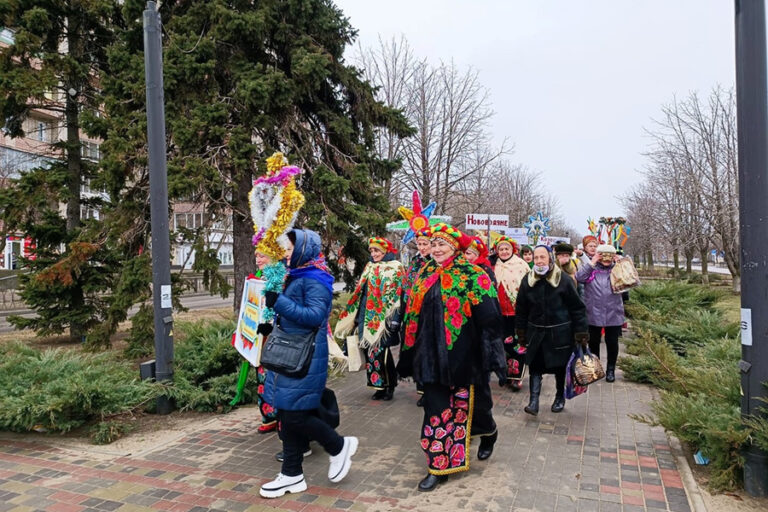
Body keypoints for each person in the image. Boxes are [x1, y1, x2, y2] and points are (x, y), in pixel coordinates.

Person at [398, 223, 506, 492]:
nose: (435, 249)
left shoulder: (473, 275)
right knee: (436, 410)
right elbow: (412, 312)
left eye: (441, 244)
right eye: (433, 244)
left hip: (464, 359)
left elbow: (491, 319)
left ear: (455, 248)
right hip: (429, 356)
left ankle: (489, 432)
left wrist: (490, 355)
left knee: (474, 409)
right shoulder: (425, 273)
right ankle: (438, 467)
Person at [260, 229, 357, 498]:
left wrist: (278, 303)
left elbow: (314, 317)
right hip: (290, 353)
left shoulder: (315, 279)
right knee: (287, 414)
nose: (286, 254)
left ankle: (338, 446)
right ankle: (292, 475)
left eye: (290, 250)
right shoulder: (297, 275)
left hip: (305, 356)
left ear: (303, 249)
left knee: (295, 415)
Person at [515, 245, 588, 415]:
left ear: (550, 258)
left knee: (560, 369)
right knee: (535, 367)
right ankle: (533, 402)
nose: (539, 261)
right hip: (536, 334)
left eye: (542, 257)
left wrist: (581, 333)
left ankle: (559, 397)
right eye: (536, 258)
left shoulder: (564, 280)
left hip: (560, 334)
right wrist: (521, 332)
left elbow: (577, 308)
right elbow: (521, 309)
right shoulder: (528, 280)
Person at [335, 237, 405, 400]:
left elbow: (397, 296)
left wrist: (395, 319)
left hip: (384, 320)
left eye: (377, 251)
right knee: (370, 355)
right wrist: (356, 318)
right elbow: (361, 293)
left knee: (382, 355)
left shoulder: (396, 268)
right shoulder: (369, 267)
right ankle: (378, 386)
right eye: (372, 251)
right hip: (367, 317)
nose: (374, 254)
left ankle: (390, 386)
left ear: (385, 251)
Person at [575, 244, 625, 383]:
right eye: (603, 255)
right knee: (594, 342)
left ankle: (610, 370)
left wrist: (622, 262)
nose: (606, 259)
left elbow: (631, 278)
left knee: (612, 342)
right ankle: (596, 369)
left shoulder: (617, 269)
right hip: (593, 312)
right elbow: (579, 277)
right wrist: (592, 262)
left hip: (613, 312)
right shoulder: (591, 269)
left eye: (609, 255)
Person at [493, 236, 530, 391]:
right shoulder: (494, 266)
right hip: (498, 312)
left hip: (517, 312)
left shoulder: (521, 265)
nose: (504, 251)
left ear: (512, 250)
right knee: (502, 344)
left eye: (506, 248)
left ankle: (516, 378)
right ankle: (505, 375)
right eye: (501, 249)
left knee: (518, 344)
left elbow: (528, 286)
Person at [403, 229, 432, 407]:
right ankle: (422, 389)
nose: (421, 247)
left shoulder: (436, 263)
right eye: (419, 244)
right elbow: (407, 285)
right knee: (418, 351)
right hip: (414, 312)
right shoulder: (415, 262)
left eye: (425, 244)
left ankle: (431, 389)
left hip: (431, 312)